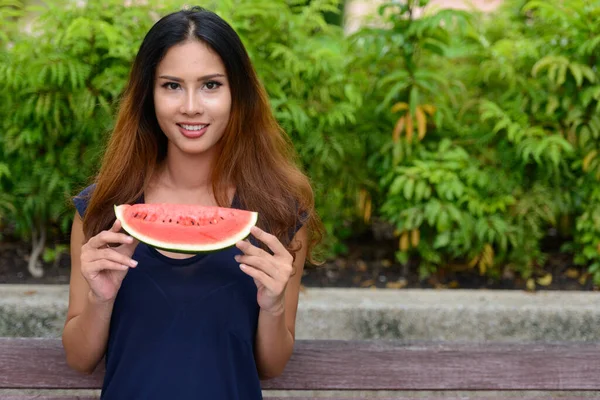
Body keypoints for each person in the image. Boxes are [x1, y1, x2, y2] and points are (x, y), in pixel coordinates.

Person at [62, 6, 323, 400]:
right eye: (171, 86)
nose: (190, 106)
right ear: (148, 95)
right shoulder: (101, 211)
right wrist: (101, 300)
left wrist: (272, 307)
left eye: (211, 85)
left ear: (238, 93)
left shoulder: (281, 214)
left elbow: (272, 366)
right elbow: (80, 359)